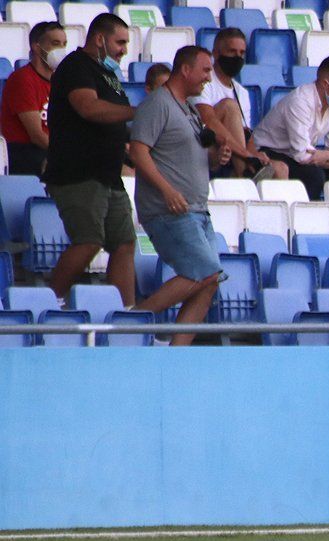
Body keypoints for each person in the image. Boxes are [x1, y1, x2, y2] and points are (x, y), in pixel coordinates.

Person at [129, 46, 232, 346]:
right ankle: (131, 322)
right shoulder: (157, 103)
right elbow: (138, 150)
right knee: (203, 273)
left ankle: (176, 354)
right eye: (205, 70)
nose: (208, 77)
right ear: (185, 70)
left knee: (209, 280)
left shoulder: (189, 108)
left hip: (197, 209)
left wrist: (217, 157)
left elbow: (197, 156)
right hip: (170, 209)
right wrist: (167, 190)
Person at [44, 13, 136, 307]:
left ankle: (125, 314)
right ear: (99, 39)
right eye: (120, 42)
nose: (124, 49)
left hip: (109, 174)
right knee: (88, 240)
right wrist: (137, 112)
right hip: (78, 173)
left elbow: (112, 118)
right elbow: (88, 108)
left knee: (124, 243)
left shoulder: (109, 74)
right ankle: (47, 302)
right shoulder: (75, 66)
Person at [252, 54, 329, 200]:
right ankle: (305, 219)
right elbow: (301, 153)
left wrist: (326, 156)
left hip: (302, 156)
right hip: (269, 152)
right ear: (324, 84)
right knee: (313, 175)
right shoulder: (300, 101)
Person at [192, 27, 281, 180]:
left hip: (233, 152)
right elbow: (207, 120)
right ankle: (245, 174)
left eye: (241, 53)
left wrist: (255, 154)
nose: (237, 57)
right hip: (206, 144)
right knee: (229, 106)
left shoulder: (242, 92)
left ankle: (255, 191)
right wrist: (247, 155)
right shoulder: (204, 81)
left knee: (281, 169)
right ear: (216, 53)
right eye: (232, 52)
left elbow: (245, 132)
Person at [0, 21, 67, 176]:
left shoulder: (60, 81)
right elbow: (36, 135)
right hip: (25, 154)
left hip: (51, 150)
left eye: (64, 44)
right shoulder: (22, 79)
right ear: (36, 46)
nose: (61, 50)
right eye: (55, 43)